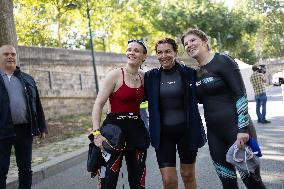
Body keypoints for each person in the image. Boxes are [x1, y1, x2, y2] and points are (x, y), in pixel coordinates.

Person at [181, 28, 266, 189]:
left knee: (252, 182)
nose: (189, 45)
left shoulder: (222, 61)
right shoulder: (196, 73)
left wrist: (243, 129)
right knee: (227, 183)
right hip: (215, 135)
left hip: (237, 130)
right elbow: (197, 99)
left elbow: (240, 94)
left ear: (205, 41)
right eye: (186, 43)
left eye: (192, 40)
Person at [144, 38, 206, 189]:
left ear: (175, 52)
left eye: (168, 51)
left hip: (187, 132)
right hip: (163, 135)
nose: (163, 55)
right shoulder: (150, 77)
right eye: (159, 52)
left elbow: (206, 96)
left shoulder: (190, 73)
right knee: (168, 180)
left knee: (188, 175)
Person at [91, 39, 149, 189]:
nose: (131, 53)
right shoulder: (115, 75)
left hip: (136, 129)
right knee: (109, 180)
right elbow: (98, 104)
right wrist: (97, 134)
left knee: (138, 180)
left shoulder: (145, 77)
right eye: (129, 49)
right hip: (114, 131)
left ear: (144, 56)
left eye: (136, 50)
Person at [0, 45, 48, 189]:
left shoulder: (27, 79)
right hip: (2, 131)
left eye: (13, 54)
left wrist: (42, 126)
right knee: (1, 171)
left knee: (25, 170)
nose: (10, 57)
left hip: (25, 131)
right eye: (6, 54)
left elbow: (37, 104)